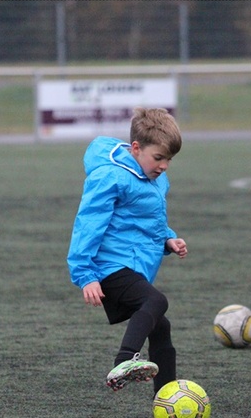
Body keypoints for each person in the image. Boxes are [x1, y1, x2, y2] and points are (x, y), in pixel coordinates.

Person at [67, 107, 188, 394]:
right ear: (136, 148)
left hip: (133, 266)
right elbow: (88, 224)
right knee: (157, 302)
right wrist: (86, 274)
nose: (164, 165)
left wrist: (167, 239)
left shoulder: (156, 177)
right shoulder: (110, 176)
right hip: (108, 268)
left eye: (169, 159)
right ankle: (124, 359)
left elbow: (146, 220)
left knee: (161, 327)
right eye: (159, 158)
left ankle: (166, 399)